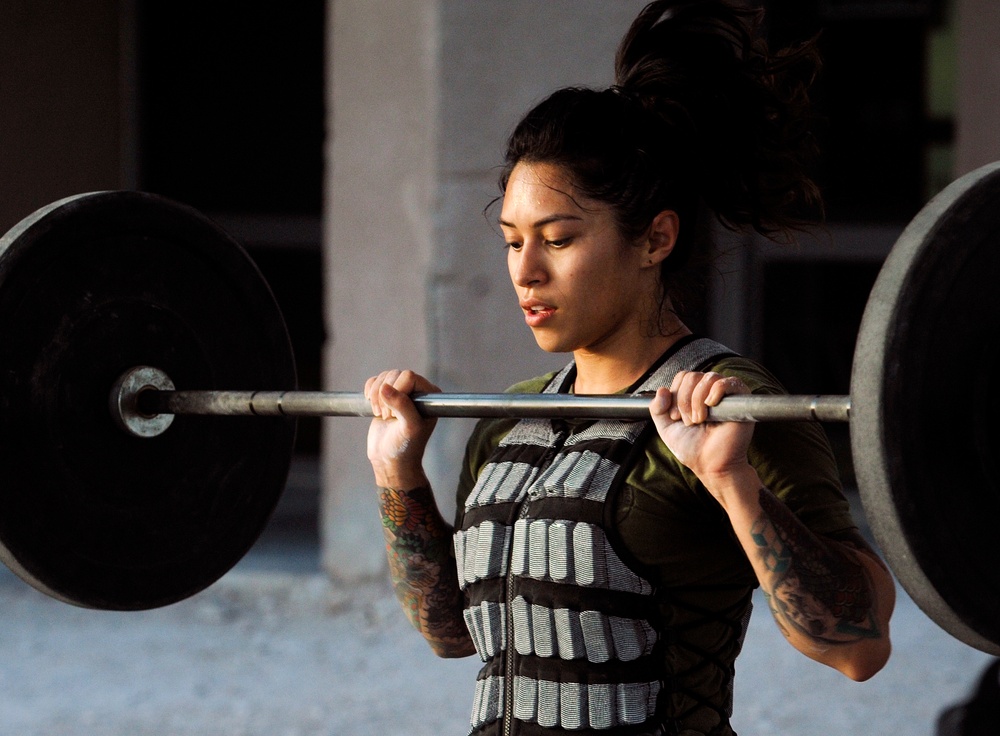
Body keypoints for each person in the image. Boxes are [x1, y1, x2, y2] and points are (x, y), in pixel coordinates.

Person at [364, 2, 896, 734]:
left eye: (557, 239)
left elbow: (861, 646)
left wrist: (732, 482)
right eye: (513, 240)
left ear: (654, 239)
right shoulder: (514, 416)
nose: (527, 271)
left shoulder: (732, 408)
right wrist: (400, 479)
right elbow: (455, 636)